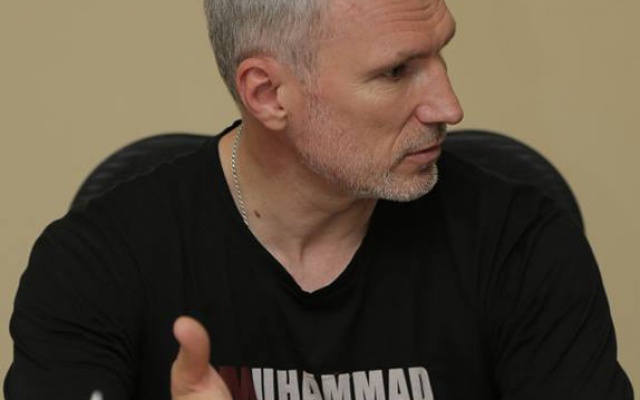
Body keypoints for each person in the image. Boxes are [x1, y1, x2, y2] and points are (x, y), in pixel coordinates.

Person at [4, 0, 633, 398]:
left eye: (441, 53)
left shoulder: (520, 242)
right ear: (267, 94)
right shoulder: (95, 264)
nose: (449, 105)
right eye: (396, 71)